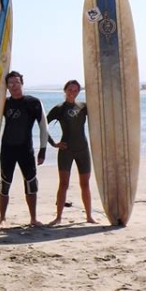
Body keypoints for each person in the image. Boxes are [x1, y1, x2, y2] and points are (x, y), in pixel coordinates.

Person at [0, 70, 49, 228]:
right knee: (5, 183)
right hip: (7, 149)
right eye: (10, 83)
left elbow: (43, 126)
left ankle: (33, 218)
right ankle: (2, 219)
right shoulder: (3, 103)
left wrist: (43, 150)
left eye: (16, 82)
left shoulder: (33, 102)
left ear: (22, 83)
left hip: (26, 149)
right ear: (6, 86)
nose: (14, 86)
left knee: (31, 183)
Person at [46, 79, 97, 225]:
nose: (72, 93)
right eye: (70, 90)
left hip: (83, 149)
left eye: (75, 90)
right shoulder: (59, 108)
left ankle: (89, 216)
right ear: (65, 90)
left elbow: (100, 118)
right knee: (63, 184)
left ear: (78, 92)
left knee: (85, 184)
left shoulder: (83, 106)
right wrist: (53, 143)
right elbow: (43, 125)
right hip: (66, 150)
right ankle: (58, 217)